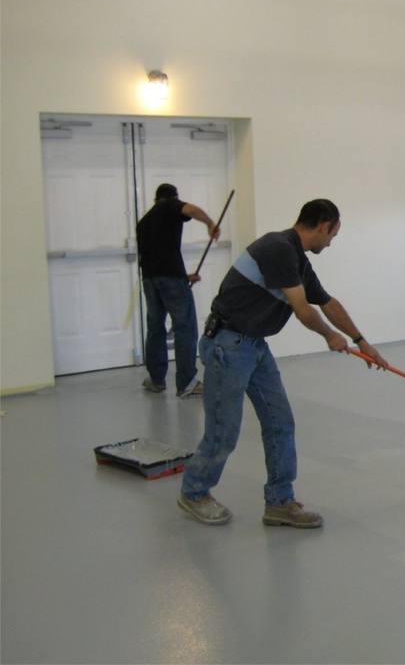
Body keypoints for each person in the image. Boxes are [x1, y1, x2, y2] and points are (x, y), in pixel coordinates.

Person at [178, 198, 388, 529]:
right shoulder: (277, 248)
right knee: (224, 430)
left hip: (254, 345)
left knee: (280, 423)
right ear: (323, 226)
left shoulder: (297, 259)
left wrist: (362, 341)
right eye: (333, 235)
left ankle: (279, 501)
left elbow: (327, 302)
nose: (331, 243)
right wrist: (329, 336)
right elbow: (303, 310)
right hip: (227, 345)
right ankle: (194, 492)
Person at [136, 183, 220, 399]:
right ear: (173, 197)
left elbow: (157, 256)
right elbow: (191, 209)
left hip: (150, 280)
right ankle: (186, 383)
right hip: (171, 279)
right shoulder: (169, 206)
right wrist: (210, 223)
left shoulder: (144, 222)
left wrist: (184, 277)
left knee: (155, 328)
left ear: (155, 199)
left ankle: (156, 380)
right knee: (185, 328)